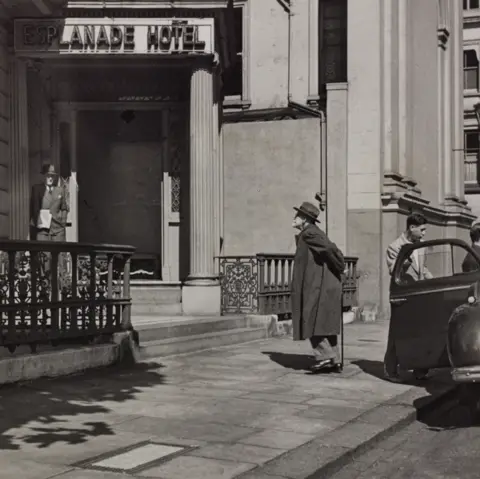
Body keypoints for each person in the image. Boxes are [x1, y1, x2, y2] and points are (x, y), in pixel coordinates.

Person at [291, 201, 345, 373]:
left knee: (311, 317)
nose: (294, 218)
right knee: (324, 321)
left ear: (305, 219)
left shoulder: (309, 233)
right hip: (320, 283)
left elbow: (329, 248)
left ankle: (325, 356)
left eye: (298, 216)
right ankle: (334, 358)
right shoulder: (313, 232)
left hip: (316, 284)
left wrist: (339, 265)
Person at [384, 212, 432, 383]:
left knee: (422, 330)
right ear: (412, 228)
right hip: (402, 294)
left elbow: (423, 269)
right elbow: (394, 270)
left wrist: (433, 281)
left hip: (419, 293)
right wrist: (407, 258)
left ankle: (421, 369)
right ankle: (391, 370)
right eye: (422, 230)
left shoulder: (422, 245)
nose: (424, 233)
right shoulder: (395, 246)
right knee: (398, 331)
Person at [30, 163, 69, 241]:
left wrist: (63, 222)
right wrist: (38, 223)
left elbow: (64, 208)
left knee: (60, 251)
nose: (50, 178)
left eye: (52, 176)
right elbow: (34, 208)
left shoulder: (60, 190)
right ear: (43, 176)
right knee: (44, 252)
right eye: (48, 176)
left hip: (58, 230)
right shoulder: (37, 189)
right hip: (43, 230)